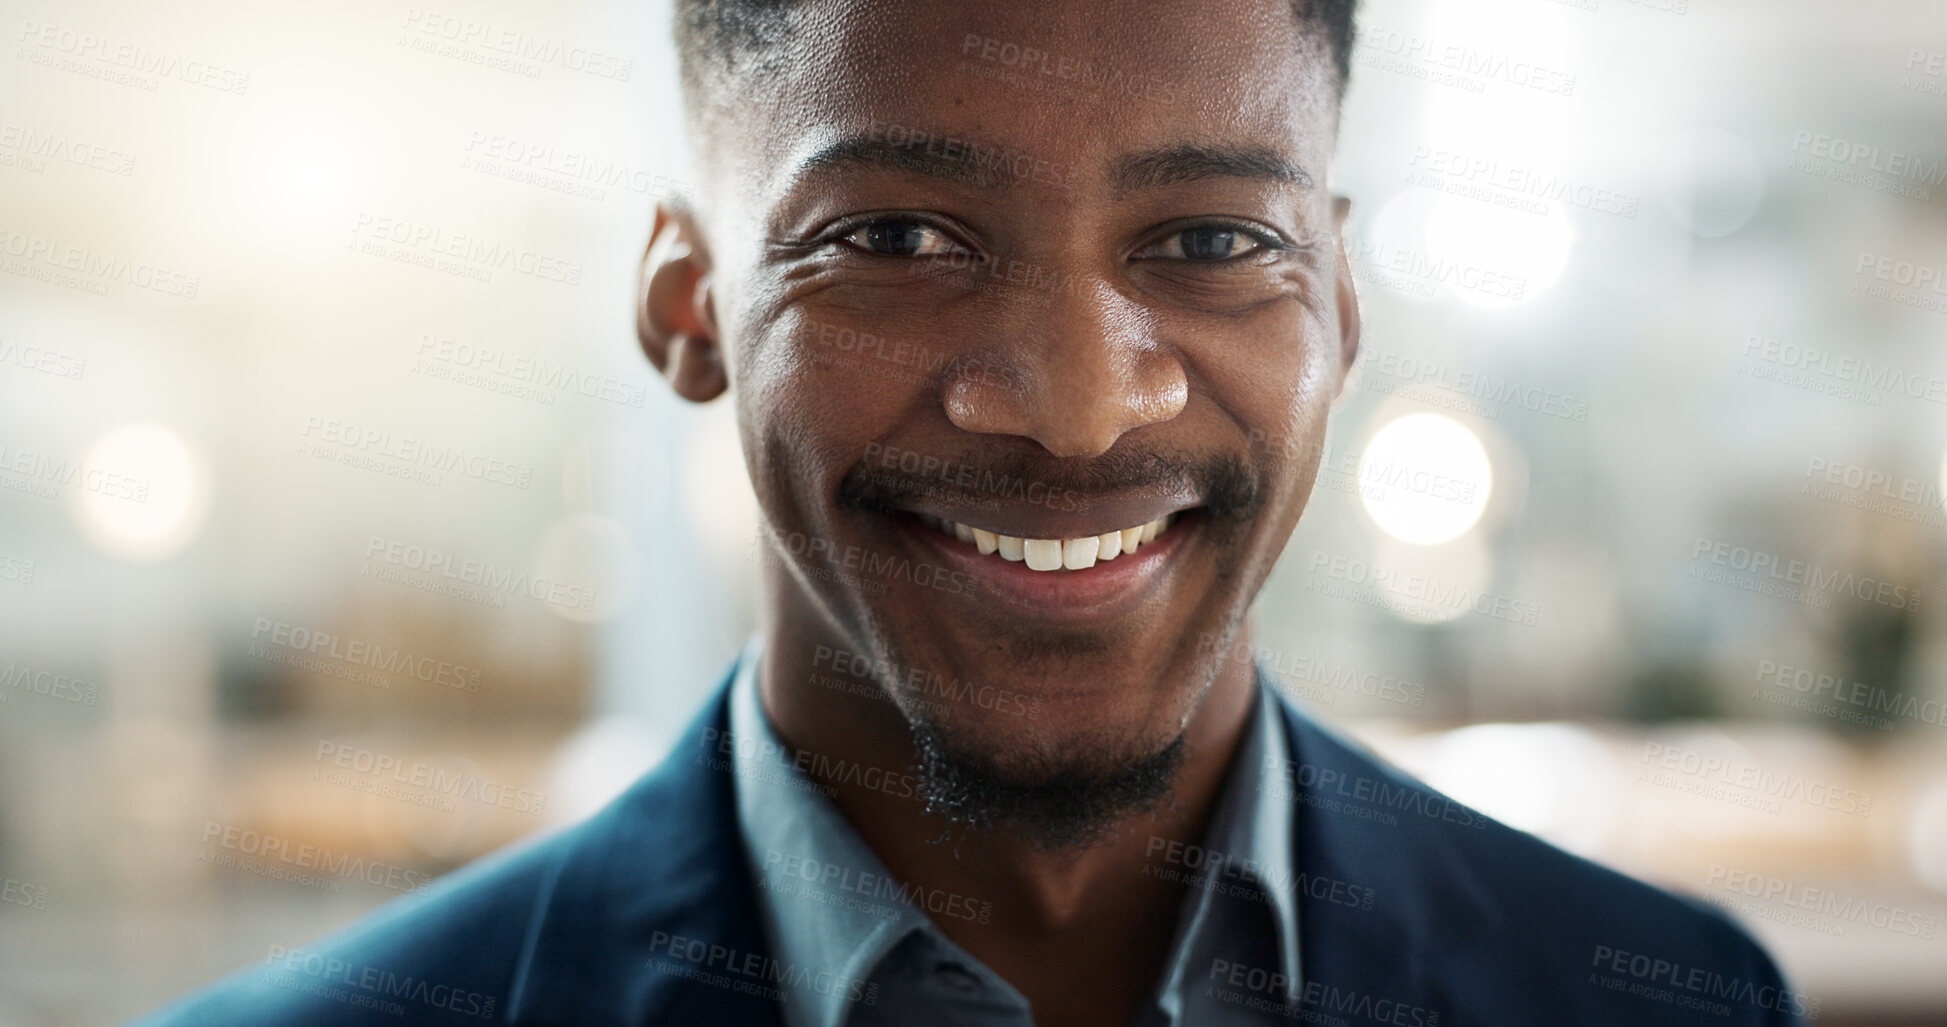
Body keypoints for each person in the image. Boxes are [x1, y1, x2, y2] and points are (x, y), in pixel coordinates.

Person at [140, 0, 1810, 1023]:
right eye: (896, 242)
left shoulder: (1661, 1002)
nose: (1083, 408)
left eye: (1215, 242)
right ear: (690, 308)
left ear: (1342, 308)